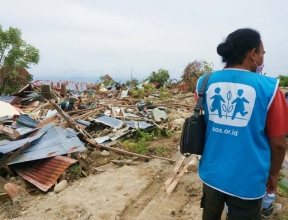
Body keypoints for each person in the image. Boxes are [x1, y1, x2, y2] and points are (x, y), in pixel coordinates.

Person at [195, 28, 288, 220]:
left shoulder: (204, 82)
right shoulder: (270, 90)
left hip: (211, 172)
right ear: (252, 53)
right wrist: (273, 175)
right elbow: (278, 143)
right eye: (262, 53)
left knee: (210, 215)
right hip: (247, 180)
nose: (262, 59)